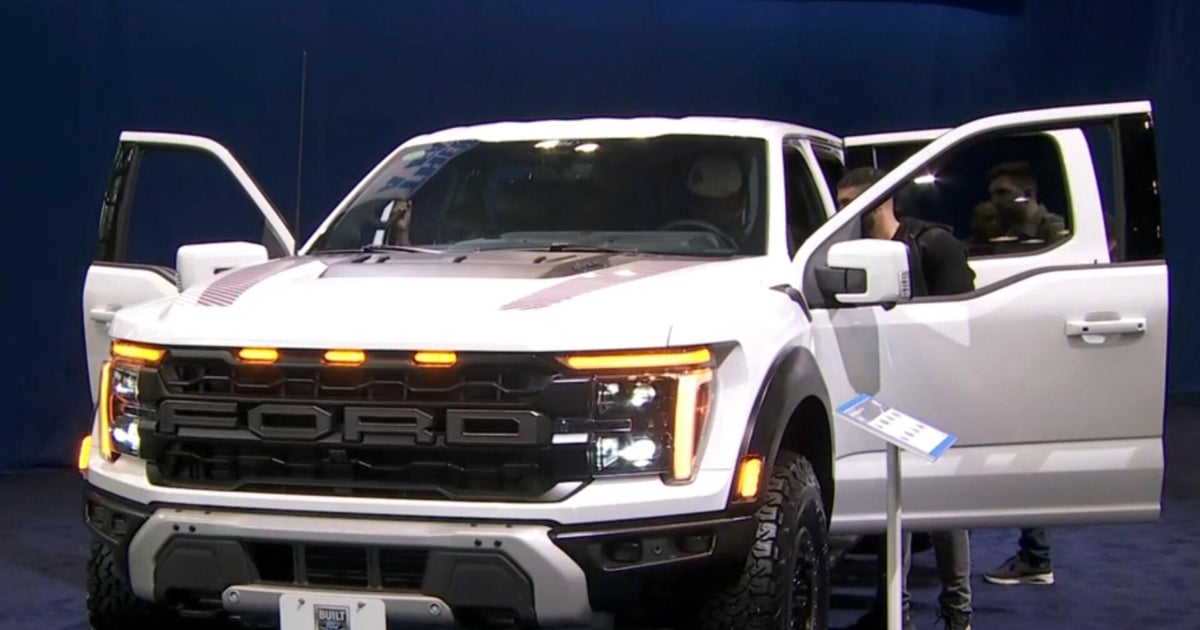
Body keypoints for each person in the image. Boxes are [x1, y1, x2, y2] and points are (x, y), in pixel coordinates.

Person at [834, 167, 975, 630]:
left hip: (934, 385)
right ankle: (893, 607)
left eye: (855, 205)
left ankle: (957, 612)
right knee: (894, 499)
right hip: (883, 385)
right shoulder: (849, 255)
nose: (847, 215)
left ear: (883, 201)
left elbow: (964, 319)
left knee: (943, 503)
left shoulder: (933, 245)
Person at [980, 161, 1068, 244]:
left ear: (1028, 194)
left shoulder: (1056, 230)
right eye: (992, 194)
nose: (995, 200)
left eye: (1002, 193)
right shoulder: (1008, 233)